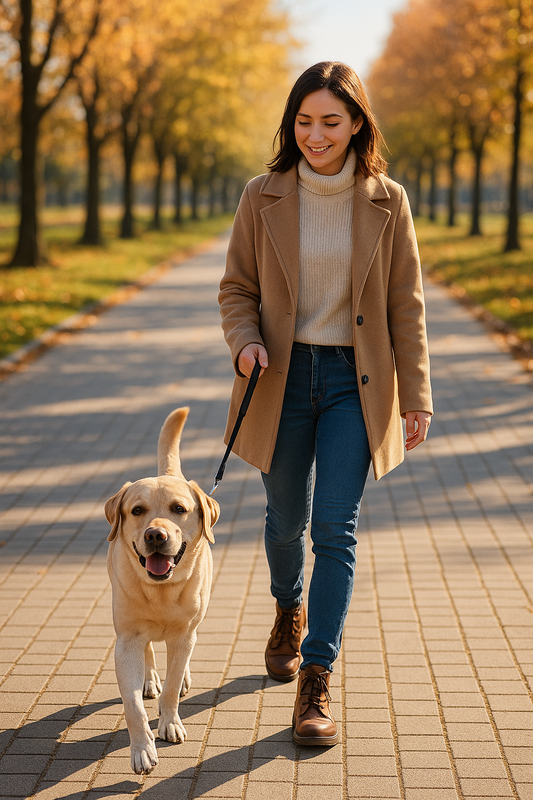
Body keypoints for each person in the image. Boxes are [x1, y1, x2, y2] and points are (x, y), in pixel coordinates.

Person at [218, 61, 433, 747]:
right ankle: (287, 607)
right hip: (278, 377)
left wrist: (417, 394)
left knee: (333, 530)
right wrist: (245, 341)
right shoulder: (262, 196)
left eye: (330, 122)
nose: (315, 135)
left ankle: (316, 679)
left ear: (357, 123)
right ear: (292, 124)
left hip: (353, 383)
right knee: (284, 523)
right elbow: (235, 292)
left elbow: (406, 305)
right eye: (304, 121)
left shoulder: (387, 200)